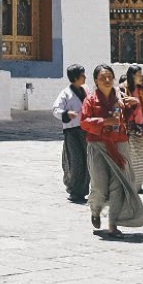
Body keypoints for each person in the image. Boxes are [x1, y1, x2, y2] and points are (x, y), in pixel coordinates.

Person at [81, 64, 143, 237]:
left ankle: (113, 224)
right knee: (100, 184)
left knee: (118, 184)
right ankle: (95, 210)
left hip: (120, 144)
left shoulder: (120, 98)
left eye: (109, 76)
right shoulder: (90, 100)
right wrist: (104, 122)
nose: (106, 80)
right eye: (102, 77)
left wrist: (133, 105)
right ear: (96, 81)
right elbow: (84, 122)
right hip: (98, 145)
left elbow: (127, 118)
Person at [52, 63, 90, 203]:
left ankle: (83, 189)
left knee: (87, 161)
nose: (85, 77)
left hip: (85, 131)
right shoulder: (65, 93)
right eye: (82, 75)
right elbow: (56, 109)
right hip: (72, 132)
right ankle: (74, 190)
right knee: (75, 161)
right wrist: (67, 114)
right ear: (75, 77)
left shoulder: (85, 91)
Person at [120, 65, 143, 193]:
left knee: (141, 158)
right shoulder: (122, 88)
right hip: (129, 129)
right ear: (132, 75)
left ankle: (138, 186)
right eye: (139, 74)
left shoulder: (142, 90)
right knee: (131, 158)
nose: (141, 77)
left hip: (141, 128)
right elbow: (121, 104)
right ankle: (130, 186)